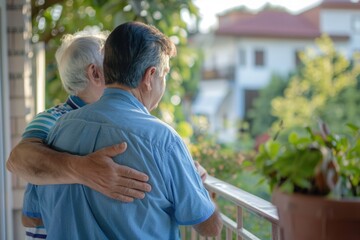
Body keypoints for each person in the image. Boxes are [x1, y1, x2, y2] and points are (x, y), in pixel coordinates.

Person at [34, 21, 223, 239]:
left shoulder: (59, 129)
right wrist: (198, 187)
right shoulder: (162, 140)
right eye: (164, 75)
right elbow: (210, 227)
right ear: (150, 76)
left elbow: (34, 212)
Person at [6, 30, 152, 239]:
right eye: (111, 63)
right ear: (95, 73)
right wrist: (83, 169)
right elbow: (17, 159)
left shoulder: (116, 120)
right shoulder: (53, 118)